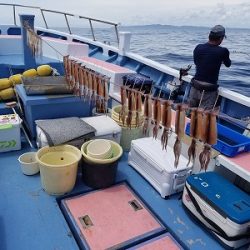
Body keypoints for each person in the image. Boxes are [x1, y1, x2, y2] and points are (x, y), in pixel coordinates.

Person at [188, 25, 231, 109]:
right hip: (209, 90)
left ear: (209, 36)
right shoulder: (223, 51)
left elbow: (197, 63)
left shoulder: (198, 47)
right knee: (204, 116)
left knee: (190, 113)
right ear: (221, 38)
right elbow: (228, 64)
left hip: (195, 86)